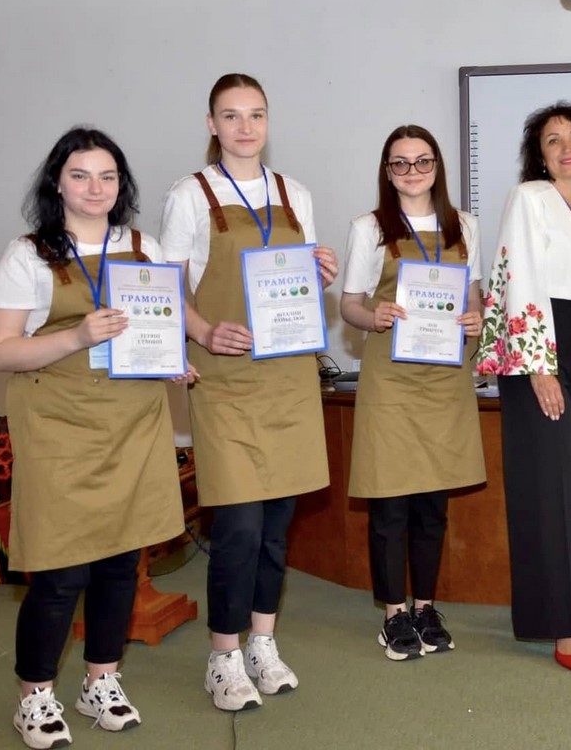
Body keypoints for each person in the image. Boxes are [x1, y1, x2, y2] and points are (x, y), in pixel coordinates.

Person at [0, 127, 188, 748]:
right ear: (58, 183)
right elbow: (1, 351)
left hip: (133, 424)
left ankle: (102, 680)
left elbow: (159, 323)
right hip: (59, 427)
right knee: (60, 570)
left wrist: (170, 357)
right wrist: (76, 336)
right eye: (80, 175)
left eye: (107, 176)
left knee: (121, 563)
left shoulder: (143, 247)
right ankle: (35, 694)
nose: (95, 188)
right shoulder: (27, 254)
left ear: (121, 185)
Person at [160, 73, 339, 711]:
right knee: (237, 526)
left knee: (275, 526)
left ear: (268, 121)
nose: (245, 127)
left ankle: (262, 642)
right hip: (226, 379)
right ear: (212, 124)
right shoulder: (190, 194)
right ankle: (224, 655)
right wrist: (204, 331)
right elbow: (167, 288)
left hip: (288, 380)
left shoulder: (295, 194)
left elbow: (297, 287)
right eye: (231, 116)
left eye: (256, 114)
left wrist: (320, 275)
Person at [476, 102, 571, 672]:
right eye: (553, 140)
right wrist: (538, 367)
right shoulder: (530, 198)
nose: (567, 147)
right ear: (538, 155)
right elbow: (518, 279)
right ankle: (559, 623)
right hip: (540, 342)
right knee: (548, 487)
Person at [340, 125, 486, 661]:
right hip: (391, 379)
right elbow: (349, 305)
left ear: (437, 167)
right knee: (390, 501)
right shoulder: (369, 228)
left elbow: (475, 298)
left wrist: (476, 318)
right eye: (399, 163)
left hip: (445, 379)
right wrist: (372, 315)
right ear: (387, 171)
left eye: (422, 161)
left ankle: (425, 607)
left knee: (432, 503)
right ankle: (393, 613)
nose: (412, 172)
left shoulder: (465, 225)